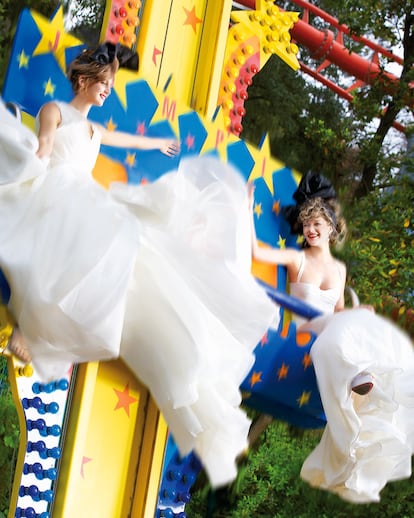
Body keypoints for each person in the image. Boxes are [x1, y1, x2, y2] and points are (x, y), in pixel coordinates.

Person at [0, 42, 277, 488]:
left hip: (83, 196)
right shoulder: (54, 108)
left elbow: (121, 138)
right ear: (83, 79)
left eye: (112, 84)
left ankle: (47, 328)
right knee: (98, 231)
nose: (108, 89)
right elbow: (45, 145)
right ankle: (29, 330)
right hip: (58, 188)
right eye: (104, 82)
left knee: (130, 238)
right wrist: (28, 165)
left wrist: (158, 142)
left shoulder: (93, 129)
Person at [250, 172, 414, 503]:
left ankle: (379, 387)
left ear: (330, 227)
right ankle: (358, 376)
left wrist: (359, 311)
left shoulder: (339, 270)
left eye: (316, 224)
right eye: (306, 224)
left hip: (330, 332)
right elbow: (256, 251)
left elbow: (338, 311)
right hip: (304, 331)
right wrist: (244, 204)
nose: (310, 230)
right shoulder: (297, 258)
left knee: (363, 321)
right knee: (338, 328)